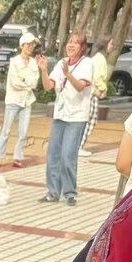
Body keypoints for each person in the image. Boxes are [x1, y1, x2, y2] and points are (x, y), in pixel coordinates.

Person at [38, 31, 93, 203]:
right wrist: (44, 70)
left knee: (68, 155)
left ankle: (70, 193)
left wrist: (68, 74)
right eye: (69, 42)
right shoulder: (61, 62)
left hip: (77, 116)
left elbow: (80, 86)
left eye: (75, 42)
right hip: (60, 114)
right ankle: (53, 192)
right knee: (53, 154)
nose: (71, 45)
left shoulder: (86, 63)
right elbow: (48, 86)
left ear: (82, 47)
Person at [0, 31, 39, 166]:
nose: (31, 47)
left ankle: (17, 157)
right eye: (28, 44)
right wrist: (27, 83)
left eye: (33, 45)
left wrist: (25, 82)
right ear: (22, 46)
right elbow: (15, 82)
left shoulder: (34, 63)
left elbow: (35, 82)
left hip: (27, 100)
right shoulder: (14, 61)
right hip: (13, 100)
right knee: (6, 130)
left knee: (23, 132)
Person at [79, 36, 111, 154]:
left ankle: (79, 145)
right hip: (92, 93)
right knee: (90, 120)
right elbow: (97, 77)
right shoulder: (100, 59)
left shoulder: (96, 58)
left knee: (89, 120)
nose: (112, 46)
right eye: (111, 43)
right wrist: (102, 89)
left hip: (90, 92)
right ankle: (79, 146)